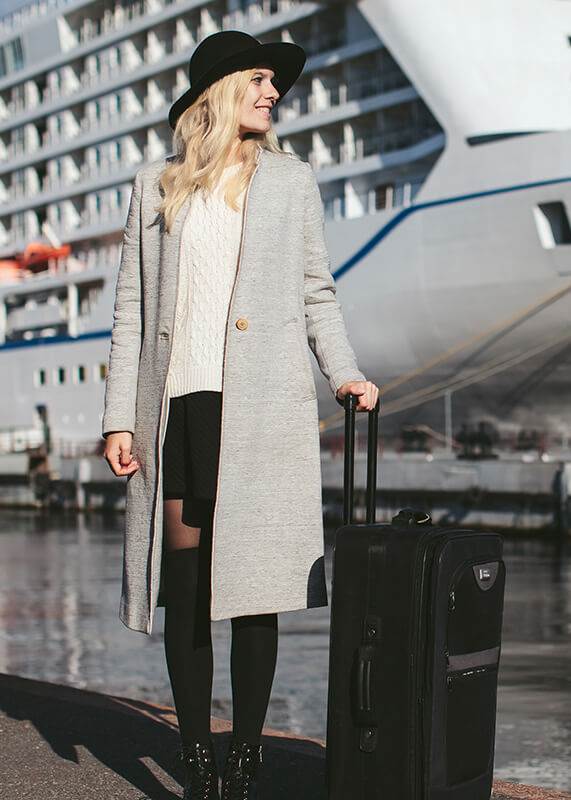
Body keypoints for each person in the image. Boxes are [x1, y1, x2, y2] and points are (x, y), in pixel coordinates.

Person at [101, 30, 379, 800]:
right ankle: (195, 758)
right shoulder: (156, 185)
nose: (273, 93)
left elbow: (316, 290)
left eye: (274, 84)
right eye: (259, 80)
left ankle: (246, 756)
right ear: (218, 90)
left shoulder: (293, 181)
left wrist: (346, 375)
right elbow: (131, 310)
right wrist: (118, 418)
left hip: (261, 408)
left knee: (255, 589)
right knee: (187, 587)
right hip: (177, 404)